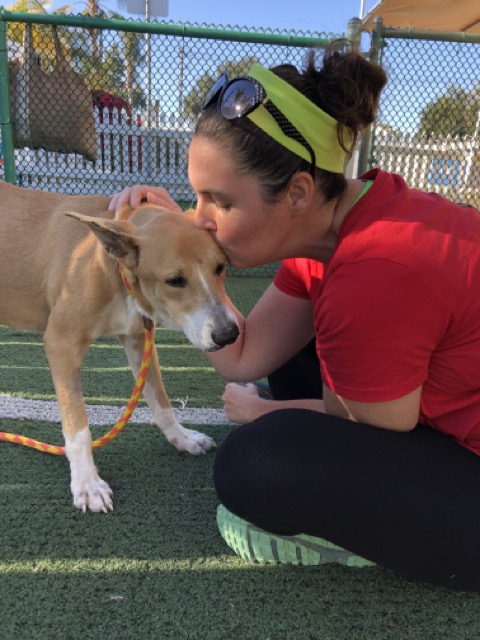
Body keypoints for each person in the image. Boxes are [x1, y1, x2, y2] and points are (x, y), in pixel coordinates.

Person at [109, 42, 480, 592]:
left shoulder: (376, 268)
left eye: (219, 201)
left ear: (299, 192)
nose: (201, 220)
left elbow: (376, 426)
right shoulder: (338, 226)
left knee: (255, 463)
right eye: (194, 199)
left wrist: (264, 412)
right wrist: (171, 241)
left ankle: (371, 537)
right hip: (434, 414)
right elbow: (241, 355)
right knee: (296, 359)